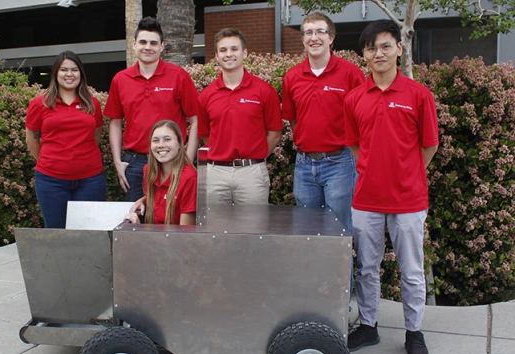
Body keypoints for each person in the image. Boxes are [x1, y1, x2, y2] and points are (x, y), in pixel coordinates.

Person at [344, 20, 439, 354]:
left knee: (411, 270)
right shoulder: (355, 98)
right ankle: (368, 325)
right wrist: (373, 172)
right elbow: (354, 145)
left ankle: (414, 332)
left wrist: (406, 173)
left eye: (385, 46)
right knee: (366, 268)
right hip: (366, 199)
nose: (378, 53)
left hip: (408, 200)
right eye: (371, 48)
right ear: (364, 55)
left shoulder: (418, 95)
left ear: (399, 48)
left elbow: (429, 146)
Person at [282, 12, 365, 234]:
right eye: (308, 32)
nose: (314, 37)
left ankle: (341, 272)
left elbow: (363, 119)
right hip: (304, 166)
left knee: (338, 233)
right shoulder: (292, 77)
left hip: (340, 164)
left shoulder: (351, 74)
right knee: (307, 233)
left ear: (331, 37)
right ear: (302, 40)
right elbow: (293, 119)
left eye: (320, 31)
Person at [105, 17, 199, 202]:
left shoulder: (179, 76)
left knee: (173, 221)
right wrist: (117, 161)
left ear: (162, 46)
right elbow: (115, 122)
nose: (148, 47)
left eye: (153, 43)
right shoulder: (120, 80)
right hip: (135, 163)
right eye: (143, 42)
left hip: (172, 160)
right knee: (136, 222)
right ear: (134, 44)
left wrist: (187, 159)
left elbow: (196, 119)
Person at [198, 28, 283, 205]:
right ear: (216, 55)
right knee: (215, 230)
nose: (229, 54)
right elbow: (206, 135)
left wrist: (255, 156)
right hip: (216, 174)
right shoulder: (206, 96)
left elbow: (274, 133)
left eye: (234, 49)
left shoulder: (265, 92)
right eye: (223, 50)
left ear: (244, 52)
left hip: (251, 173)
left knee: (253, 230)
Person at [26, 51, 106, 229]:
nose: (69, 74)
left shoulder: (92, 103)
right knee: (56, 234)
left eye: (74, 70)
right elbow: (31, 138)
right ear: (55, 73)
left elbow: (96, 133)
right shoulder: (40, 103)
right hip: (51, 181)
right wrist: (50, 161)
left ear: (81, 74)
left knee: (89, 233)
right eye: (64, 70)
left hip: (91, 180)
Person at [125, 120, 197, 225]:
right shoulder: (149, 171)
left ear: (180, 144)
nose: (161, 145)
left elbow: (185, 233)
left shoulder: (189, 178)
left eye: (167, 139)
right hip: (152, 237)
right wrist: (143, 200)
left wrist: (139, 229)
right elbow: (158, 197)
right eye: (155, 140)